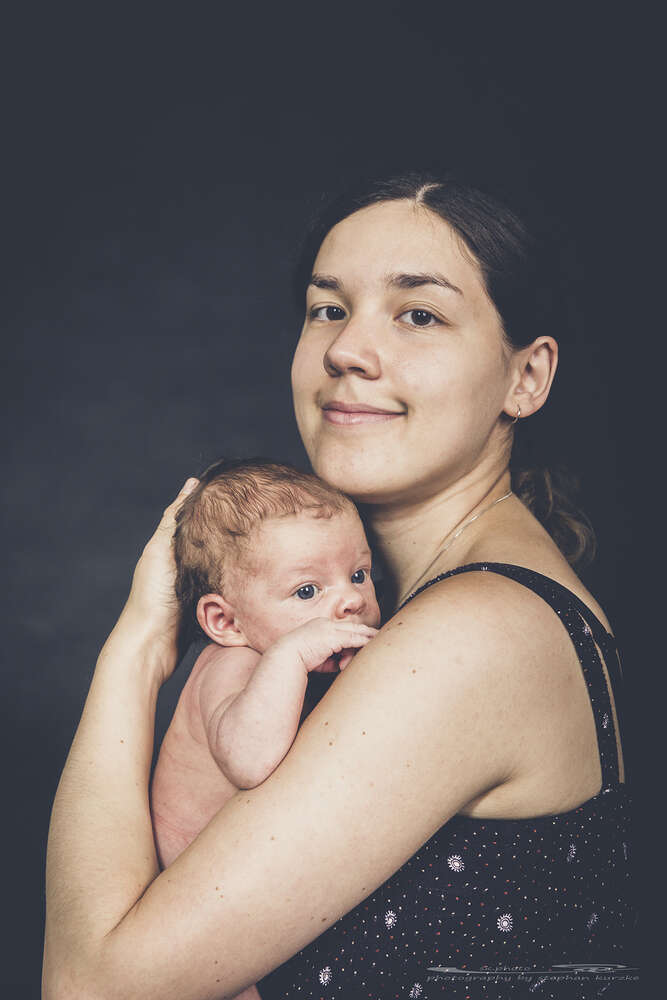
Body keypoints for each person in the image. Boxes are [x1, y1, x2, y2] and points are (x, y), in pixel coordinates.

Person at [43, 171, 635, 1000]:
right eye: (328, 309)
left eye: (418, 314)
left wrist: (137, 649)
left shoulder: (471, 634)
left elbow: (91, 988)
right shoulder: (438, 603)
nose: (345, 350)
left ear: (525, 377)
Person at [150, 456, 380, 867]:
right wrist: (292, 654)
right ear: (226, 622)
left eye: (358, 575)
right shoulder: (231, 665)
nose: (352, 599)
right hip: (196, 876)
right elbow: (249, 762)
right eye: (307, 591)